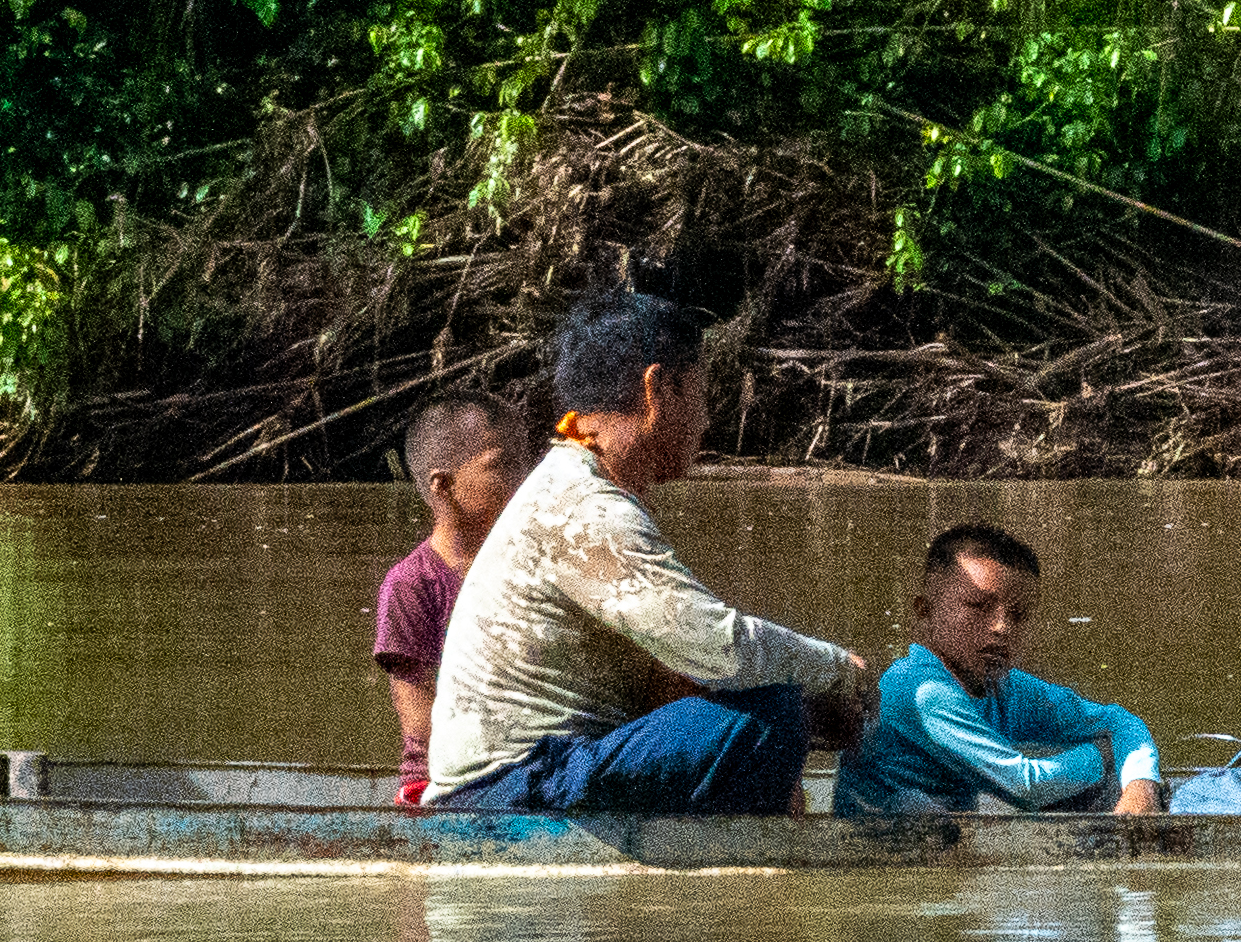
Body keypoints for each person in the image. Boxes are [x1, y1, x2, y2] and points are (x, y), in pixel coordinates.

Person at [420, 292, 874, 818]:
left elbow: (680, 667)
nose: (705, 421)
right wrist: (843, 673)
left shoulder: (576, 485)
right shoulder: (584, 507)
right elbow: (719, 645)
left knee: (773, 707)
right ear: (657, 391)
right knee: (770, 715)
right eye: (701, 395)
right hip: (509, 789)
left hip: (537, 771)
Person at [831, 522, 1173, 820]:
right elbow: (1026, 786)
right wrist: (1103, 753)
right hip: (885, 848)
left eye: (1019, 615)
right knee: (1102, 764)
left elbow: (1118, 720)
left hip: (947, 846)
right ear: (925, 611)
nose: (1001, 627)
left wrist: (1142, 784)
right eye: (978, 607)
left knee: (1128, 779)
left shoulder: (1005, 688)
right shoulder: (919, 690)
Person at [370, 394, 526, 799]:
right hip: (450, 773)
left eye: (524, 463)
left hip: (524, 754)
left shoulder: (524, 562)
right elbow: (419, 714)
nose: (524, 479)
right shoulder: (411, 584)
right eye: (502, 466)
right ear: (445, 485)